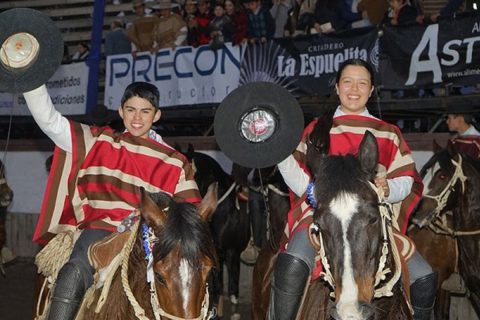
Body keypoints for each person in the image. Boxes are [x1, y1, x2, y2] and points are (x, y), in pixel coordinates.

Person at [268, 59, 437, 320]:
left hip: (372, 220)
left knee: (424, 278)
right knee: (292, 264)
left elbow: (407, 180)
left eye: (362, 83)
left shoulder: (388, 132)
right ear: (337, 87)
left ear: (371, 91)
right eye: (347, 81)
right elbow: (300, 178)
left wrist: (388, 187)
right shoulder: (316, 129)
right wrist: (282, 156)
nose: (354, 89)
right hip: (320, 216)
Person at [22, 82, 201, 320]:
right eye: (130, 109)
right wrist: (30, 78)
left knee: (194, 272)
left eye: (145, 111)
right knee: (73, 272)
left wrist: (163, 204)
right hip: (103, 230)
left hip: (154, 237)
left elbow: (191, 214)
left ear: (157, 115)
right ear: (120, 111)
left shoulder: (174, 161)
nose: (137, 117)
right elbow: (50, 121)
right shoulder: (99, 142)